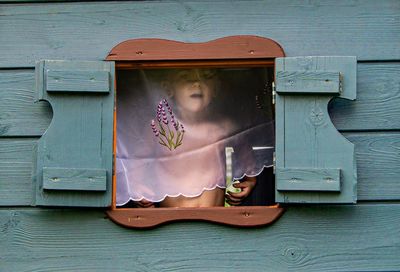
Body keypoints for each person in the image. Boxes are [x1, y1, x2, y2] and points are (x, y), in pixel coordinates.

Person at [116, 68, 274, 208]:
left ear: (216, 87)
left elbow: (243, 147)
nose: (197, 83)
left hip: (213, 216)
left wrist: (251, 179)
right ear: (168, 88)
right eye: (185, 76)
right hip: (170, 219)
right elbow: (137, 160)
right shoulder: (160, 128)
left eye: (205, 76)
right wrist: (138, 190)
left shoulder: (222, 126)